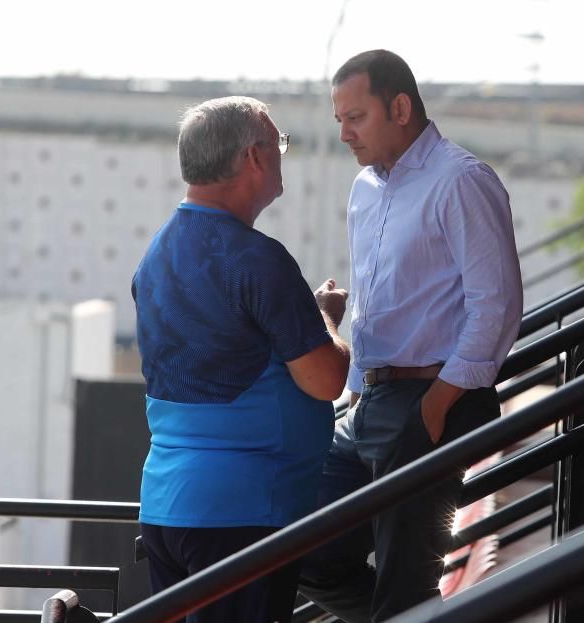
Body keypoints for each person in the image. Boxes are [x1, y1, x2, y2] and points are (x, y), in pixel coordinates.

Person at [298, 49, 523, 622]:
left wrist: (436, 405)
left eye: (356, 117)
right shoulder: (363, 190)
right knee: (300, 549)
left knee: (406, 588)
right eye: (339, 120)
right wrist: (351, 389)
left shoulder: (462, 179)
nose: (345, 133)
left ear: (399, 107)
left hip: (430, 404)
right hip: (367, 402)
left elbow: (495, 307)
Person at [132, 96, 350, 623]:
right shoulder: (256, 259)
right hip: (242, 512)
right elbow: (327, 380)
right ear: (253, 158)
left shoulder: (155, 255)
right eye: (279, 145)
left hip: (166, 503)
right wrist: (325, 318)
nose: (282, 156)